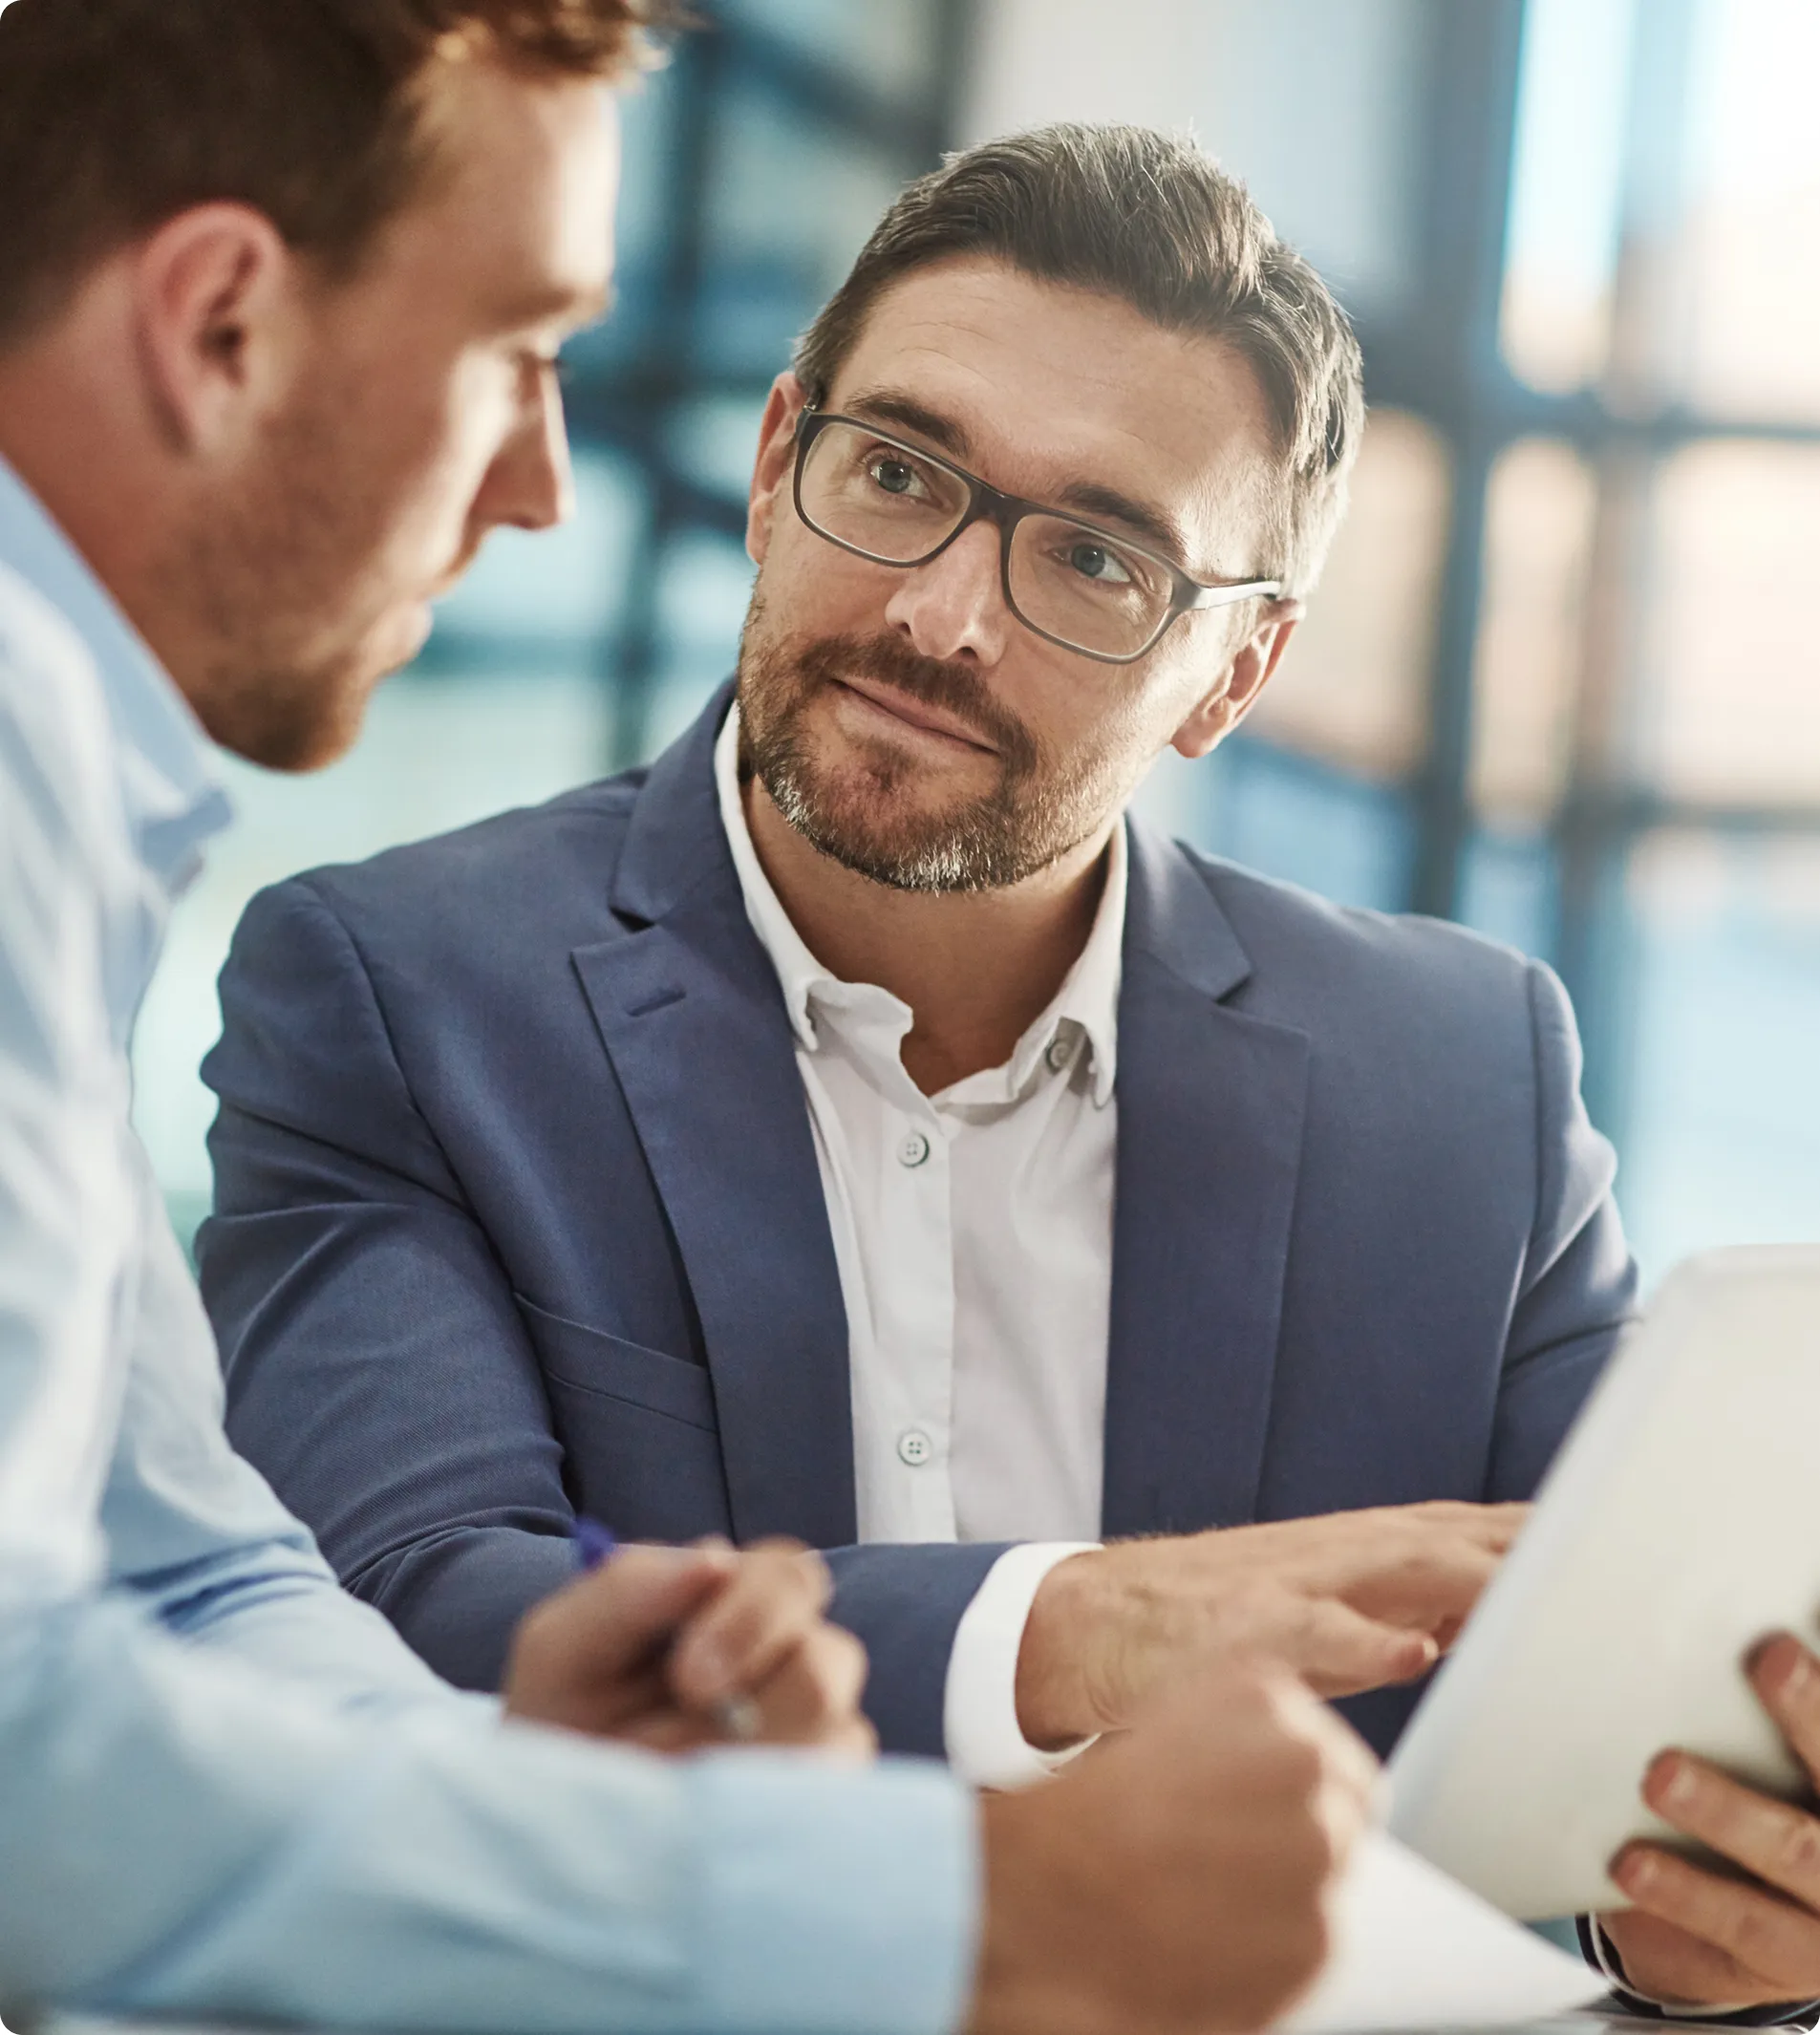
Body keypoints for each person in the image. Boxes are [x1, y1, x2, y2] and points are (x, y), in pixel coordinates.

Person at [0, 6, 1382, 2031]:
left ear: (1230, 669)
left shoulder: (75, 796)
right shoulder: (244, 896)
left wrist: (509, 1778)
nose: (545, 483)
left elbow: (187, 1580)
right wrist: (962, 1910)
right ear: (221, 323)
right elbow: (36, 1765)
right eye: (518, 353)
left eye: (1092, 554)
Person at [202, 118, 1624, 1790]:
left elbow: (1615, 1693)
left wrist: (1684, 1897)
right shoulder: (395, 998)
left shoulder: (1469, 1083)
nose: (943, 617)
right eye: (897, 473)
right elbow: (422, 1604)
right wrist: (1083, 1625)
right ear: (773, 464)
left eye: (1096, 559)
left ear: (1235, 676)